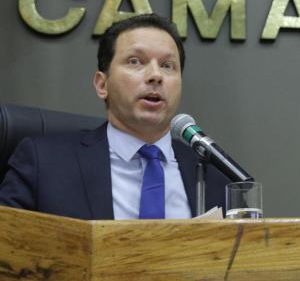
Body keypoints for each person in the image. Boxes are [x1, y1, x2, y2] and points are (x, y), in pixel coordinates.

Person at [0, 13, 230, 220]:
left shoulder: (215, 176)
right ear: (102, 84)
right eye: (135, 62)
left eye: (168, 66)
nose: (155, 76)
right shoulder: (44, 163)